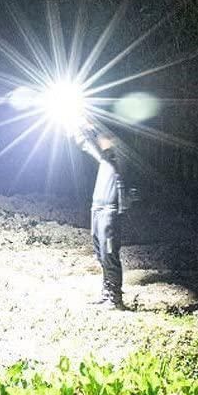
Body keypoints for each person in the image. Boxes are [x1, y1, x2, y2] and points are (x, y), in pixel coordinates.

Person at [72, 121, 126, 309]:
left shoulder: (119, 156)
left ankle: (115, 298)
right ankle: (107, 292)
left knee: (109, 252)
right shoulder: (104, 157)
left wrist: (92, 125)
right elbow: (84, 143)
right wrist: (74, 124)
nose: (100, 140)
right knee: (100, 252)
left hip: (110, 210)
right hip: (97, 208)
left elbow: (104, 137)